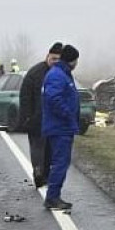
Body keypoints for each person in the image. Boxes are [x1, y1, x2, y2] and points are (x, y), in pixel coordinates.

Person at [41, 44, 81, 211]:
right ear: (71, 60)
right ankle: (52, 197)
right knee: (60, 163)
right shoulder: (58, 75)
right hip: (59, 127)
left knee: (60, 162)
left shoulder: (63, 73)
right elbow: (54, 98)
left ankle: (54, 195)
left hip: (62, 126)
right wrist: (67, 114)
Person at [18, 42, 62, 188]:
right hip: (36, 119)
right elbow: (25, 96)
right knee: (37, 148)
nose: (55, 62)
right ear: (47, 57)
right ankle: (38, 172)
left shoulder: (62, 74)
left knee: (50, 150)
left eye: (58, 60)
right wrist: (26, 117)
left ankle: (46, 175)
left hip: (54, 120)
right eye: (53, 59)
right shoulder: (35, 73)